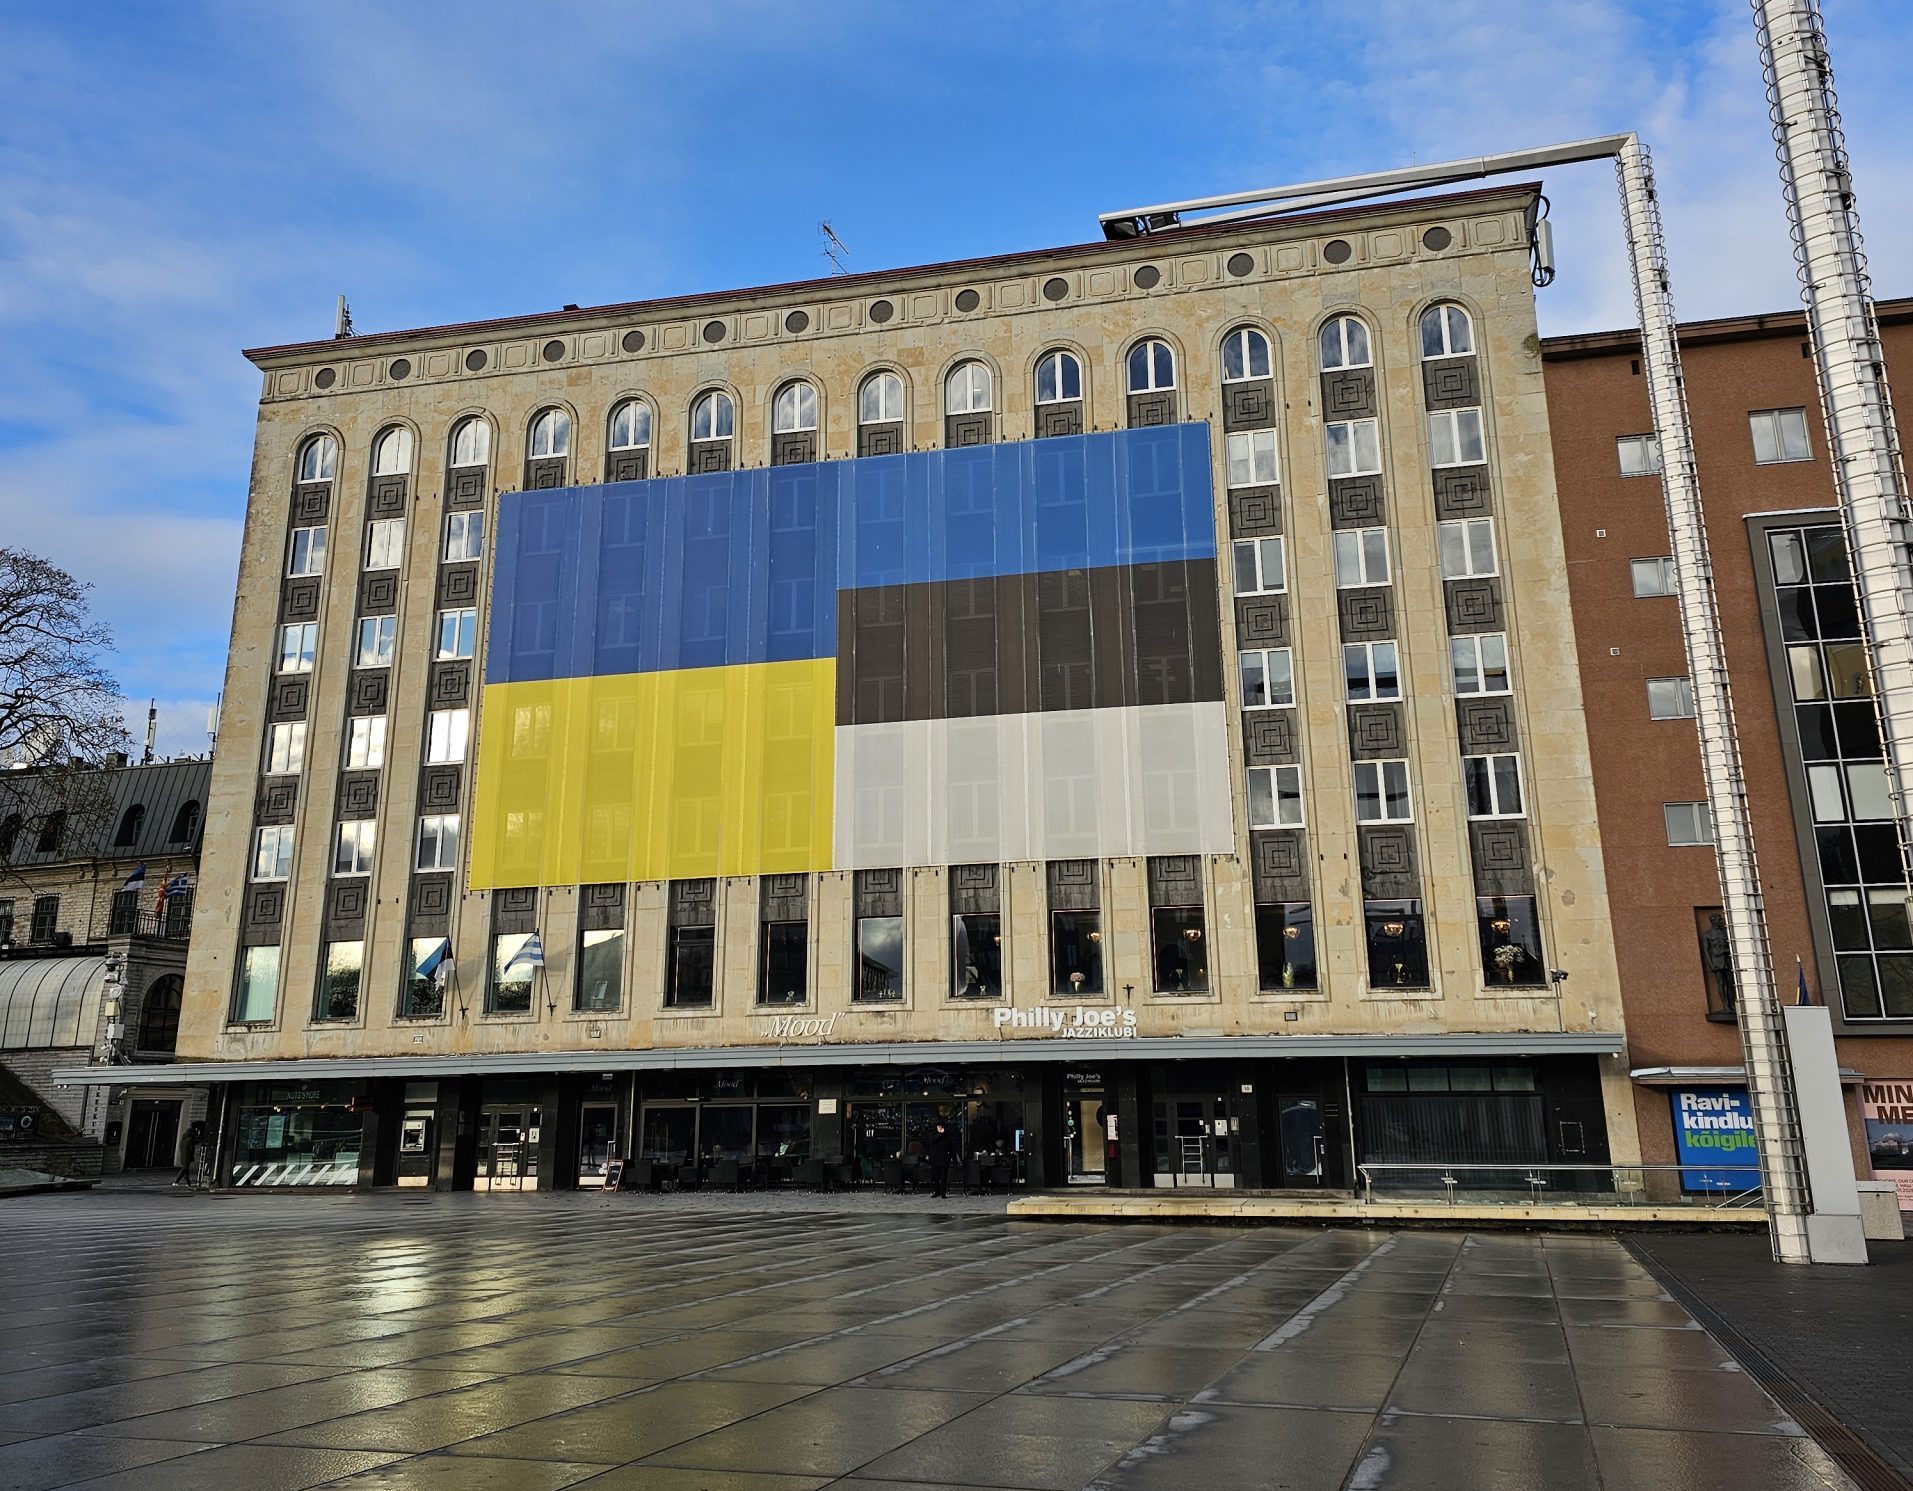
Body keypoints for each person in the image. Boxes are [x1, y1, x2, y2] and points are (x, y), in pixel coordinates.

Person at [926, 1122, 956, 1200]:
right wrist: (941, 1134)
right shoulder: (932, 1134)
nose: (939, 1128)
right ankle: (937, 1191)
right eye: (938, 1126)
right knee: (936, 1177)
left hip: (944, 1159)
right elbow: (933, 1140)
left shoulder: (947, 1136)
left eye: (941, 1127)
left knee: (943, 1177)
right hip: (935, 1159)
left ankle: (943, 1193)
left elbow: (951, 1147)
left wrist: (953, 1158)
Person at [172, 1121, 203, 1187]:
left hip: (183, 1157)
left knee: (186, 1170)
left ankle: (188, 1182)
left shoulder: (183, 1140)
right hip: (188, 1157)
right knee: (184, 1169)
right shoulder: (190, 1140)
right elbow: (191, 1148)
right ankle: (176, 1181)